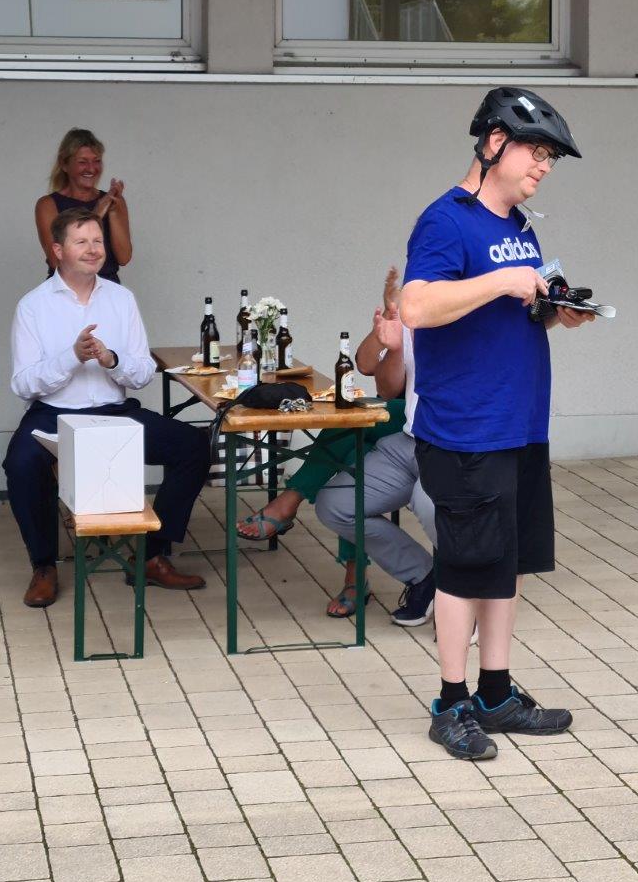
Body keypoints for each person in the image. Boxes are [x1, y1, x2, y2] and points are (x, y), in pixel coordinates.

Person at [399, 87, 594, 761]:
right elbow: (416, 306)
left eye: (550, 158)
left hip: (520, 424)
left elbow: (510, 310)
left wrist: (555, 311)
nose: (544, 166)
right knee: (464, 567)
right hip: (465, 428)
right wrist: (503, 282)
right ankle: (450, 702)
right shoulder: (445, 221)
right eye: (536, 152)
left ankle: (495, 692)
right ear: (493, 144)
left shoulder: (518, 226)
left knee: (506, 564)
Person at [5, 207, 209, 607]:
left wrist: (111, 359)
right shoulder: (33, 305)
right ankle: (43, 565)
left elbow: (143, 372)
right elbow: (23, 384)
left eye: (98, 241)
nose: (93, 249)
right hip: (53, 413)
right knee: (20, 464)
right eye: (81, 241)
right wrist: (72, 357)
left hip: (114, 412)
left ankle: (151, 556)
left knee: (193, 446)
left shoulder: (121, 298)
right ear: (57, 250)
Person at [234, 268, 427, 619]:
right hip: (401, 419)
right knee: (351, 451)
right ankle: (354, 576)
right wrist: (389, 317)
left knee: (350, 419)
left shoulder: (447, 308)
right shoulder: (411, 307)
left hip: (415, 418)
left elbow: (386, 392)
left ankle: (291, 502)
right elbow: (365, 363)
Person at [314, 297, 439, 625]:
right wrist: (394, 347)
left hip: (456, 447)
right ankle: (425, 576)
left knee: (429, 503)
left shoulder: (477, 313)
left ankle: (468, 595)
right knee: (336, 504)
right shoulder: (416, 311)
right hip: (410, 441)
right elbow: (384, 387)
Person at [35, 129, 132, 284]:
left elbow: (124, 258)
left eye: (96, 161)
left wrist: (113, 212)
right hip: (65, 291)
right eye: (82, 162)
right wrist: (97, 214)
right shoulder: (47, 205)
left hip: (107, 289)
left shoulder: (111, 201)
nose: (91, 168)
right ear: (64, 164)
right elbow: (56, 261)